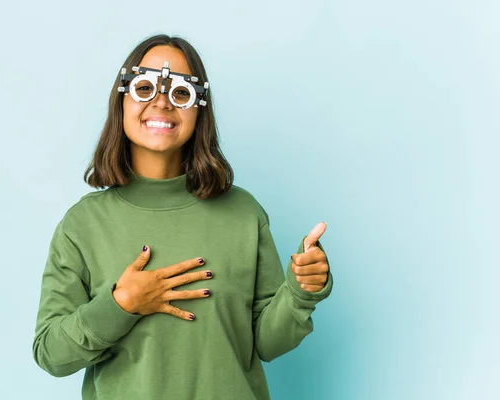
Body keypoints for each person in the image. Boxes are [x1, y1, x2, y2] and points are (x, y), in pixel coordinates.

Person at [32, 34, 333, 400]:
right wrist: (120, 305)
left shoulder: (244, 214)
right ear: (122, 100)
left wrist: (302, 290)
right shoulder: (82, 225)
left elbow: (267, 343)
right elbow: (51, 353)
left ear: (199, 108)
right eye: (145, 87)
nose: (161, 102)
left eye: (179, 92)